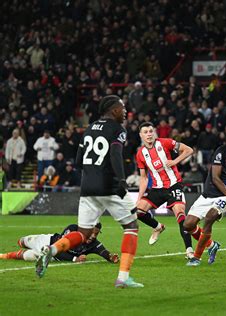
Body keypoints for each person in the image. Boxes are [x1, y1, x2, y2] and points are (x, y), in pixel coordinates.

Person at [35, 95, 143, 288]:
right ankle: (123, 277)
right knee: (132, 226)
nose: (125, 111)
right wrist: (121, 179)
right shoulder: (118, 129)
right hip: (108, 186)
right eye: (123, 108)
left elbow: (78, 161)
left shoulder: (89, 128)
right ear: (114, 110)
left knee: (83, 233)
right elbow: (115, 153)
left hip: (87, 188)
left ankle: (52, 250)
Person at [183, 121, 226, 266]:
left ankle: (196, 257)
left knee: (210, 216)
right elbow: (215, 177)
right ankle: (211, 245)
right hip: (209, 193)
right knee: (188, 225)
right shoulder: (223, 151)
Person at [135, 122, 194, 257]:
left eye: (151, 131)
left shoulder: (165, 143)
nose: (149, 134)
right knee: (137, 212)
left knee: (180, 214)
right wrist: (139, 198)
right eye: (146, 132)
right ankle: (157, 227)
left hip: (174, 185)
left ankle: (189, 250)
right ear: (141, 135)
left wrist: (175, 161)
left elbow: (189, 150)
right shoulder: (140, 154)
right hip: (157, 188)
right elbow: (143, 178)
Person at [1, 223, 118, 263]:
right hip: (46, 241)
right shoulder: (72, 230)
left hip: (50, 256)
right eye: (92, 232)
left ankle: (3, 256)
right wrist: (75, 259)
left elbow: (102, 251)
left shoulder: (93, 244)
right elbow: (58, 249)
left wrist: (111, 257)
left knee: (28, 256)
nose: (93, 236)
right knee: (22, 241)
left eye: (96, 234)